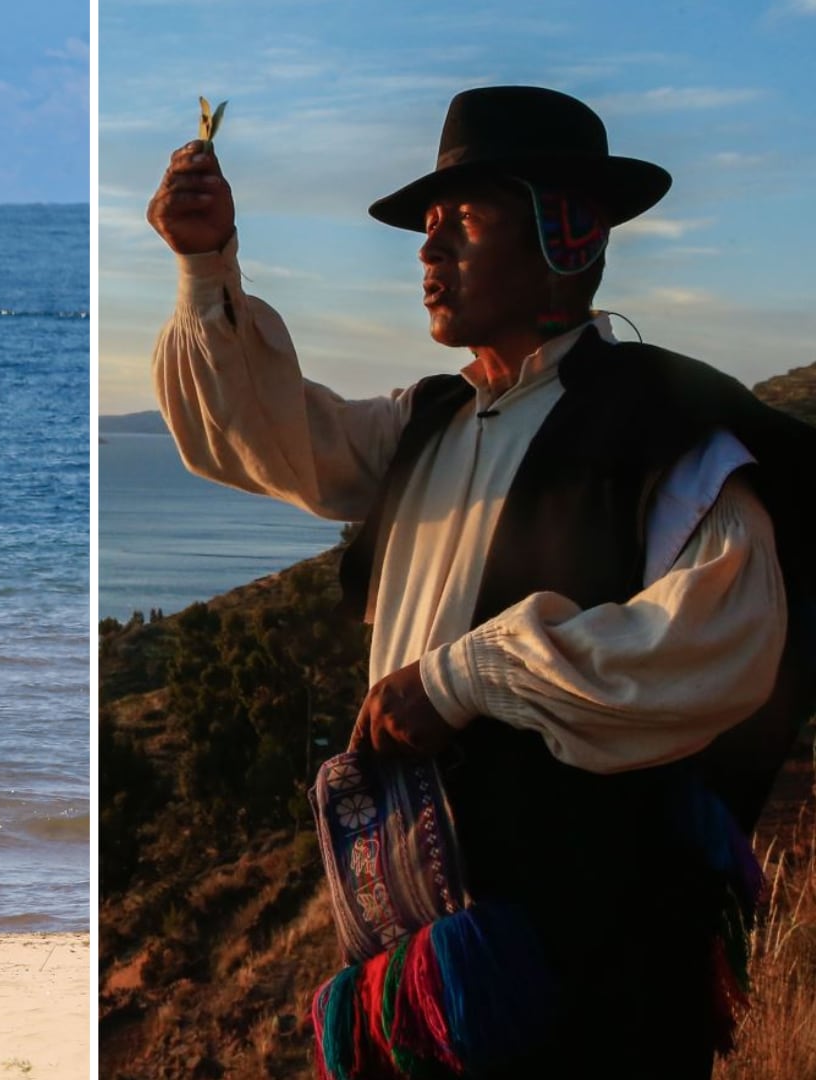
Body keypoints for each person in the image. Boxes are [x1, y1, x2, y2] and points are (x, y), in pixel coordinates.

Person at [147, 85, 814, 1077]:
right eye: (425, 230)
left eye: (461, 222)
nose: (428, 254)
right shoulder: (428, 422)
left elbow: (713, 648)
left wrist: (465, 677)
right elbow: (262, 436)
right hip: (426, 987)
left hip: (591, 984)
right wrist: (205, 266)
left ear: (567, 232)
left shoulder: (668, 432)